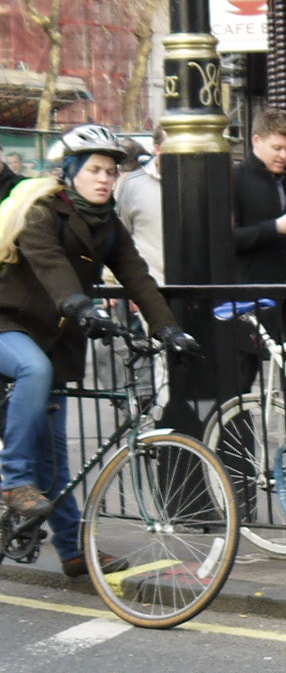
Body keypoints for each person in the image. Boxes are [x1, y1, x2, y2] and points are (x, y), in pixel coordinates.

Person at [0, 124, 194, 582]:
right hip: (9, 324)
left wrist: (170, 329)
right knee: (32, 368)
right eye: (95, 170)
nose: (105, 179)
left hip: (55, 341)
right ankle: (13, 482)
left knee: (58, 460)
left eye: (111, 171)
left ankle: (72, 551)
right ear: (71, 173)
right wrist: (79, 304)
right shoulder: (43, 211)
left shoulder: (108, 226)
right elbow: (48, 264)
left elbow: (138, 278)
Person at [233, 110, 286, 286]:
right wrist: (276, 227)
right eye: (277, 148)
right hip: (253, 292)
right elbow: (228, 239)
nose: (284, 156)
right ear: (256, 141)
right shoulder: (234, 179)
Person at [115, 126, 165, 285]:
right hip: (148, 288)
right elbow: (120, 238)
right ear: (157, 149)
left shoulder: (202, 182)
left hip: (197, 289)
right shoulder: (133, 185)